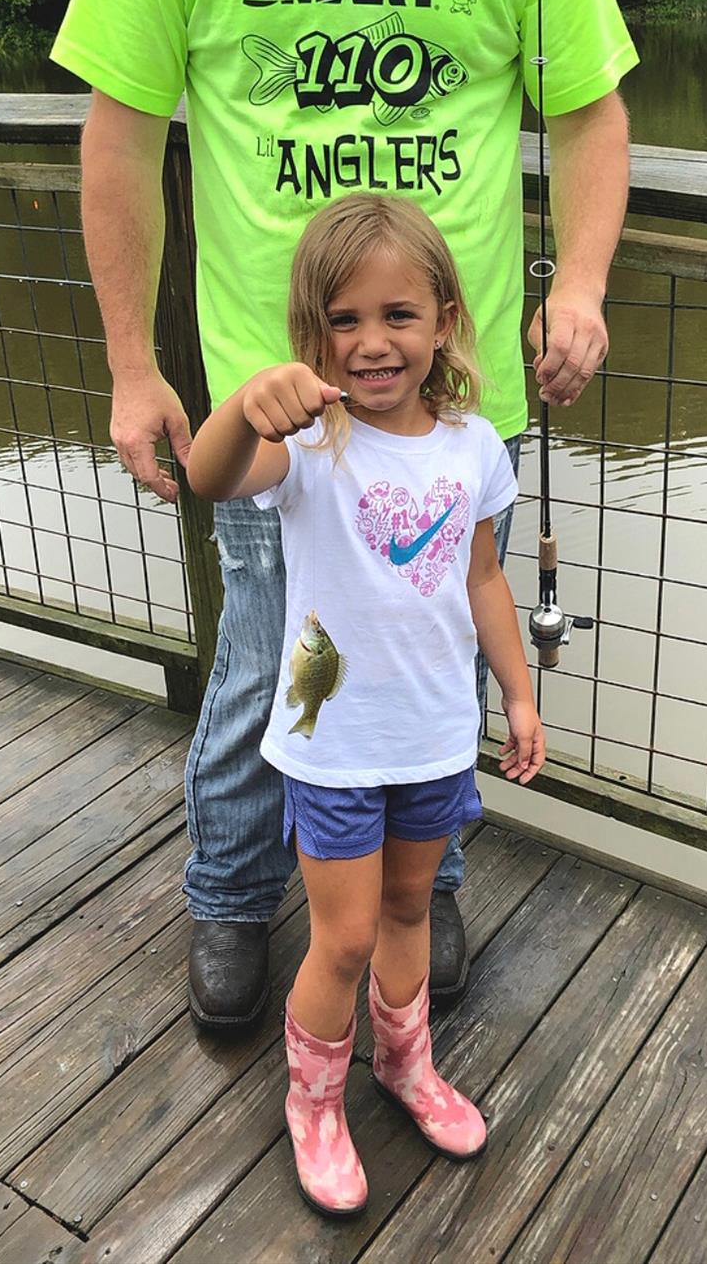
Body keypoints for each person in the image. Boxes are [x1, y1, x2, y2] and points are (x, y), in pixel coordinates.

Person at [51, 0, 638, 1027]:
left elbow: (586, 111)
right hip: (273, 408)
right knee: (272, 656)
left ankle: (427, 885)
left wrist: (583, 286)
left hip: (458, 400)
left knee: (438, 641)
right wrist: (134, 366)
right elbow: (120, 131)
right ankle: (230, 891)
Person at [186, 192, 545, 1215]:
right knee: (338, 939)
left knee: (405, 911)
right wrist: (243, 403)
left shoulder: (472, 447)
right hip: (331, 742)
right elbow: (211, 476)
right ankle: (313, 1101)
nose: (372, 342)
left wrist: (516, 696)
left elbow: (482, 579)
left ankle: (403, 1063)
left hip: (432, 738)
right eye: (343, 321)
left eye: (397, 315)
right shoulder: (307, 447)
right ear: (313, 334)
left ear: (442, 320)